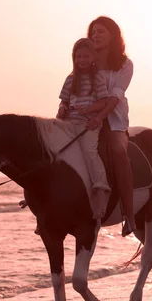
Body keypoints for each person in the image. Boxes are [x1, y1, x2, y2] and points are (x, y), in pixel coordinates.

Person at [83, 16, 136, 237]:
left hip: (114, 121)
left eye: (101, 31)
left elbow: (115, 96)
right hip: (86, 118)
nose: (96, 35)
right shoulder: (87, 62)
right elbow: (74, 85)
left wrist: (101, 117)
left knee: (117, 150)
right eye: (93, 32)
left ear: (113, 35)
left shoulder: (124, 64)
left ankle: (130, 214)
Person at [56, 38, 111, 220]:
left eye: (86, 56)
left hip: (87, 123)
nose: (82, 60)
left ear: (93, 57)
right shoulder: (71, 79)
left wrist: (89, 110)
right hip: (69, 122)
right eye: (79, 56)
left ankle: (101, 189)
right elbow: (64, 100)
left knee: (89, 152)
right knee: (55, 150)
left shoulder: (98, 78)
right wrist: (62, 109)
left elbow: (103, 101)